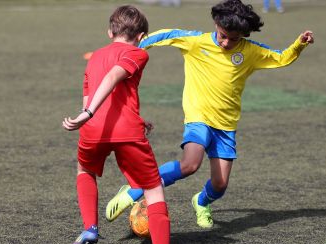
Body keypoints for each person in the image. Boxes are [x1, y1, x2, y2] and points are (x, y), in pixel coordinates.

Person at [105, 0, 314, 229]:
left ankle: (201, 201)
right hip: (198, 117)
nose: (226, 43)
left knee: (220, 184)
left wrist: (299, 45)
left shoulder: (250, 51)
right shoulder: (197, 42)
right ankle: (134, 191)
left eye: (233, 39)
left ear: (242, 35)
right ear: (216, 24)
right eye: (223, 35)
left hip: (226, 125)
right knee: (190, 164)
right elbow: (167, 35)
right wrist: (134, 48)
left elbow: (281, 58)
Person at [62, 5, 170, 244]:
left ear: (110, 32)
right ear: (141, 36)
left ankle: (90, 228)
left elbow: (89, 95)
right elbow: (113, 77)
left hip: (92, 129)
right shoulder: (139, 53)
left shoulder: (95, 56)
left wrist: (86, 115)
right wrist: (88, 113)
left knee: (84, 171)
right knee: (153, 189)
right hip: (125, 131)